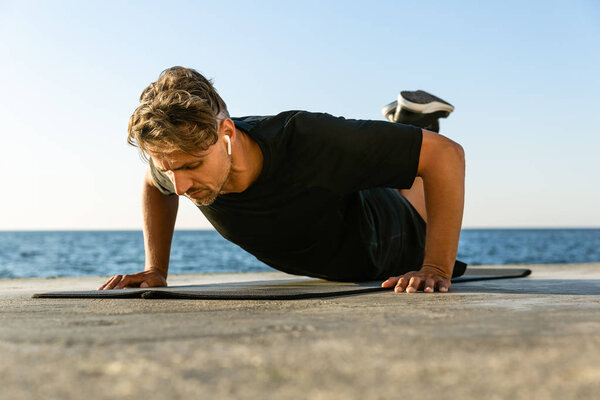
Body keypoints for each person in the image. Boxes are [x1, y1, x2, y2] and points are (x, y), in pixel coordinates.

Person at [98, 66, 465, 294]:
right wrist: (156, 269)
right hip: (332, 237)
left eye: (192, 166)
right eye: (168, 168)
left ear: (227, 133)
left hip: (381, 234)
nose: (180, 185)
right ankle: (403, 127)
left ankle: (414, 124)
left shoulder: (306, 138)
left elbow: (446, 156)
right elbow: (153, 184)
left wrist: (435, 267)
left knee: (411, 196)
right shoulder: (179, 165)